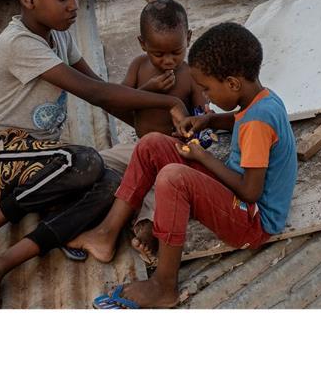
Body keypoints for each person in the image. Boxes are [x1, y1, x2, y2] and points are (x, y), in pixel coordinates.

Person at [0, 0, 189, 309]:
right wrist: (168, 102)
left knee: (116, 184)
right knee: (86, 162)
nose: (74, 5)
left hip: (43, 166)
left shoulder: (59, 35)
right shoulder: (19, 42)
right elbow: (94, 89)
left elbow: (104, 98)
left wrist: (151, 137)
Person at [72, 22, 297, 309]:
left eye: (207, 89)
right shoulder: (263, 99)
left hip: (254, 220)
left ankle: (164, 285)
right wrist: (210, 119)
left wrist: (203, 158)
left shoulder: (256, 124)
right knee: (152, 143)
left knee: (173, 177)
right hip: (238, 199)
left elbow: (250, 192)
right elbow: (239, 119)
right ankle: (106, 233)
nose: (207, 96)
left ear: (232, 84)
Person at [99, 0, 210, 263]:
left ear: (189, 38)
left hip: (173, 153)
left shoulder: (191, 75)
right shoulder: (139, 66)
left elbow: (203, 116)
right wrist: (149, 89)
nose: (168, 60)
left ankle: (148, 228)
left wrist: (199, 124)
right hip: (139, 150)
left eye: (176, 52)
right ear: (142, 44)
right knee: (99, 161)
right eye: (158, 54)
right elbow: (120, 99)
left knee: (159, 188)